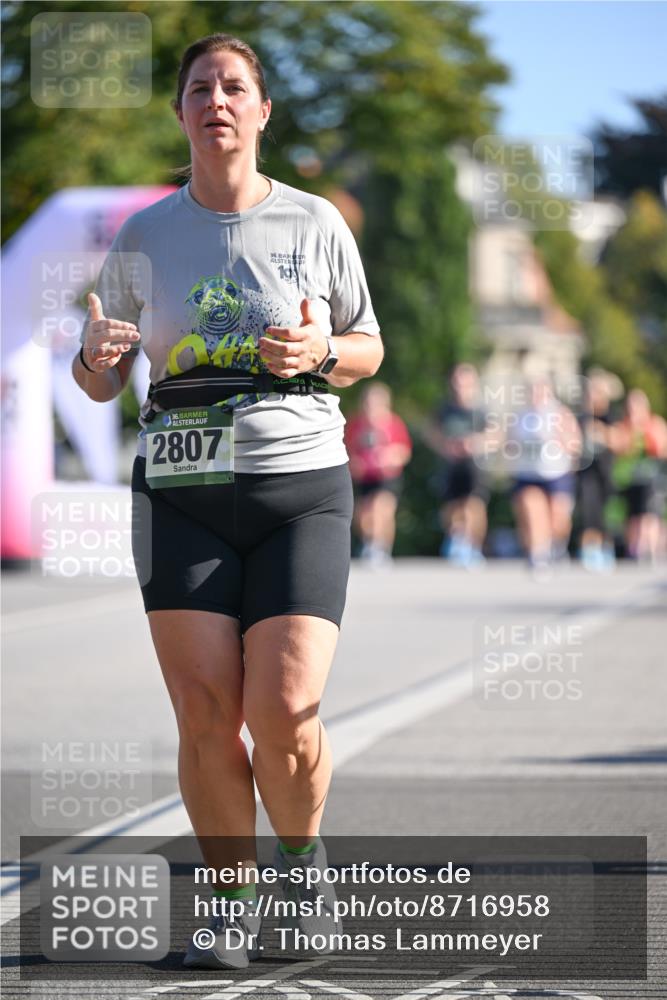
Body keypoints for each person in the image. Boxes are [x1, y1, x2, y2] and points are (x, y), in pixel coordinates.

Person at [73, 33, 383, 970]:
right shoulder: (144, 235)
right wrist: (96, 360)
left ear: (260, 112)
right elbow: (98, 378)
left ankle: (300, 863)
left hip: (300, 489)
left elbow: (368, 346)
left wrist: (319, 354)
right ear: (181, 113)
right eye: (199, 87)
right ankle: (228, 905)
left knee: (286, 708)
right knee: (207, 715)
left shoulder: (314, 222)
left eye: (233, 86)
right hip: (181, 491)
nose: (216, 99)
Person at [506, 378, 582, 574]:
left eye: (541, 391)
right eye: (534, 391)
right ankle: (538, 554)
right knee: (532, 509)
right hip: (528, 473)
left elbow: (575, 443)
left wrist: (558, 440)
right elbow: (509, 444)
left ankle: (557, 544)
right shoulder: (520, 416)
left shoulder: (560, 413)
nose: (537, 396)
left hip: (556, 472)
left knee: (558, 518)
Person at [424, 364, 488, 566]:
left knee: (473, 504)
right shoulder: (444, 409)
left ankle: (473, 545)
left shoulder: (482, 410)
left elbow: (497, 434)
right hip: (450, 465)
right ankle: (457, 539)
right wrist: (445, 445)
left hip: (475, 465)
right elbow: (430, 432)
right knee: (451, 507)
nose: (460, 386)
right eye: (457, 382)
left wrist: (476, 443)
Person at [345, 382, 412, 566]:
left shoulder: (393, 423)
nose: (372, 407)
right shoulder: (355, 424)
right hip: (364, 476)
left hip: (387, 476)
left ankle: (381, 547)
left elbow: (404, 451)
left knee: (381, 508)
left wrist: (390, 458)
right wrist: (354, 463)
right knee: (363, 514)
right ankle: (370, 542)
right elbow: (348, 450)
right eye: (368, 402)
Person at [612, 389, 667, 563]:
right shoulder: (623, 426)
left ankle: (648, 548)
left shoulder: (654, 423)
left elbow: (661, 448)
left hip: (651, 477)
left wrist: (644, 432)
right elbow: (618, 448)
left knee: (649, 513)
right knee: (632, 515)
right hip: (629, 479)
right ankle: (634, 548)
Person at [576, 368, 622, 572]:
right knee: (588, 511)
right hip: (586, 472)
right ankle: (589, 550)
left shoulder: (611, 416)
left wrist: (603, 433)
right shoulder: (583, 417)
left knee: (606, 513)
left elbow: (620, 441)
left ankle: (606, 547)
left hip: (607, 470)